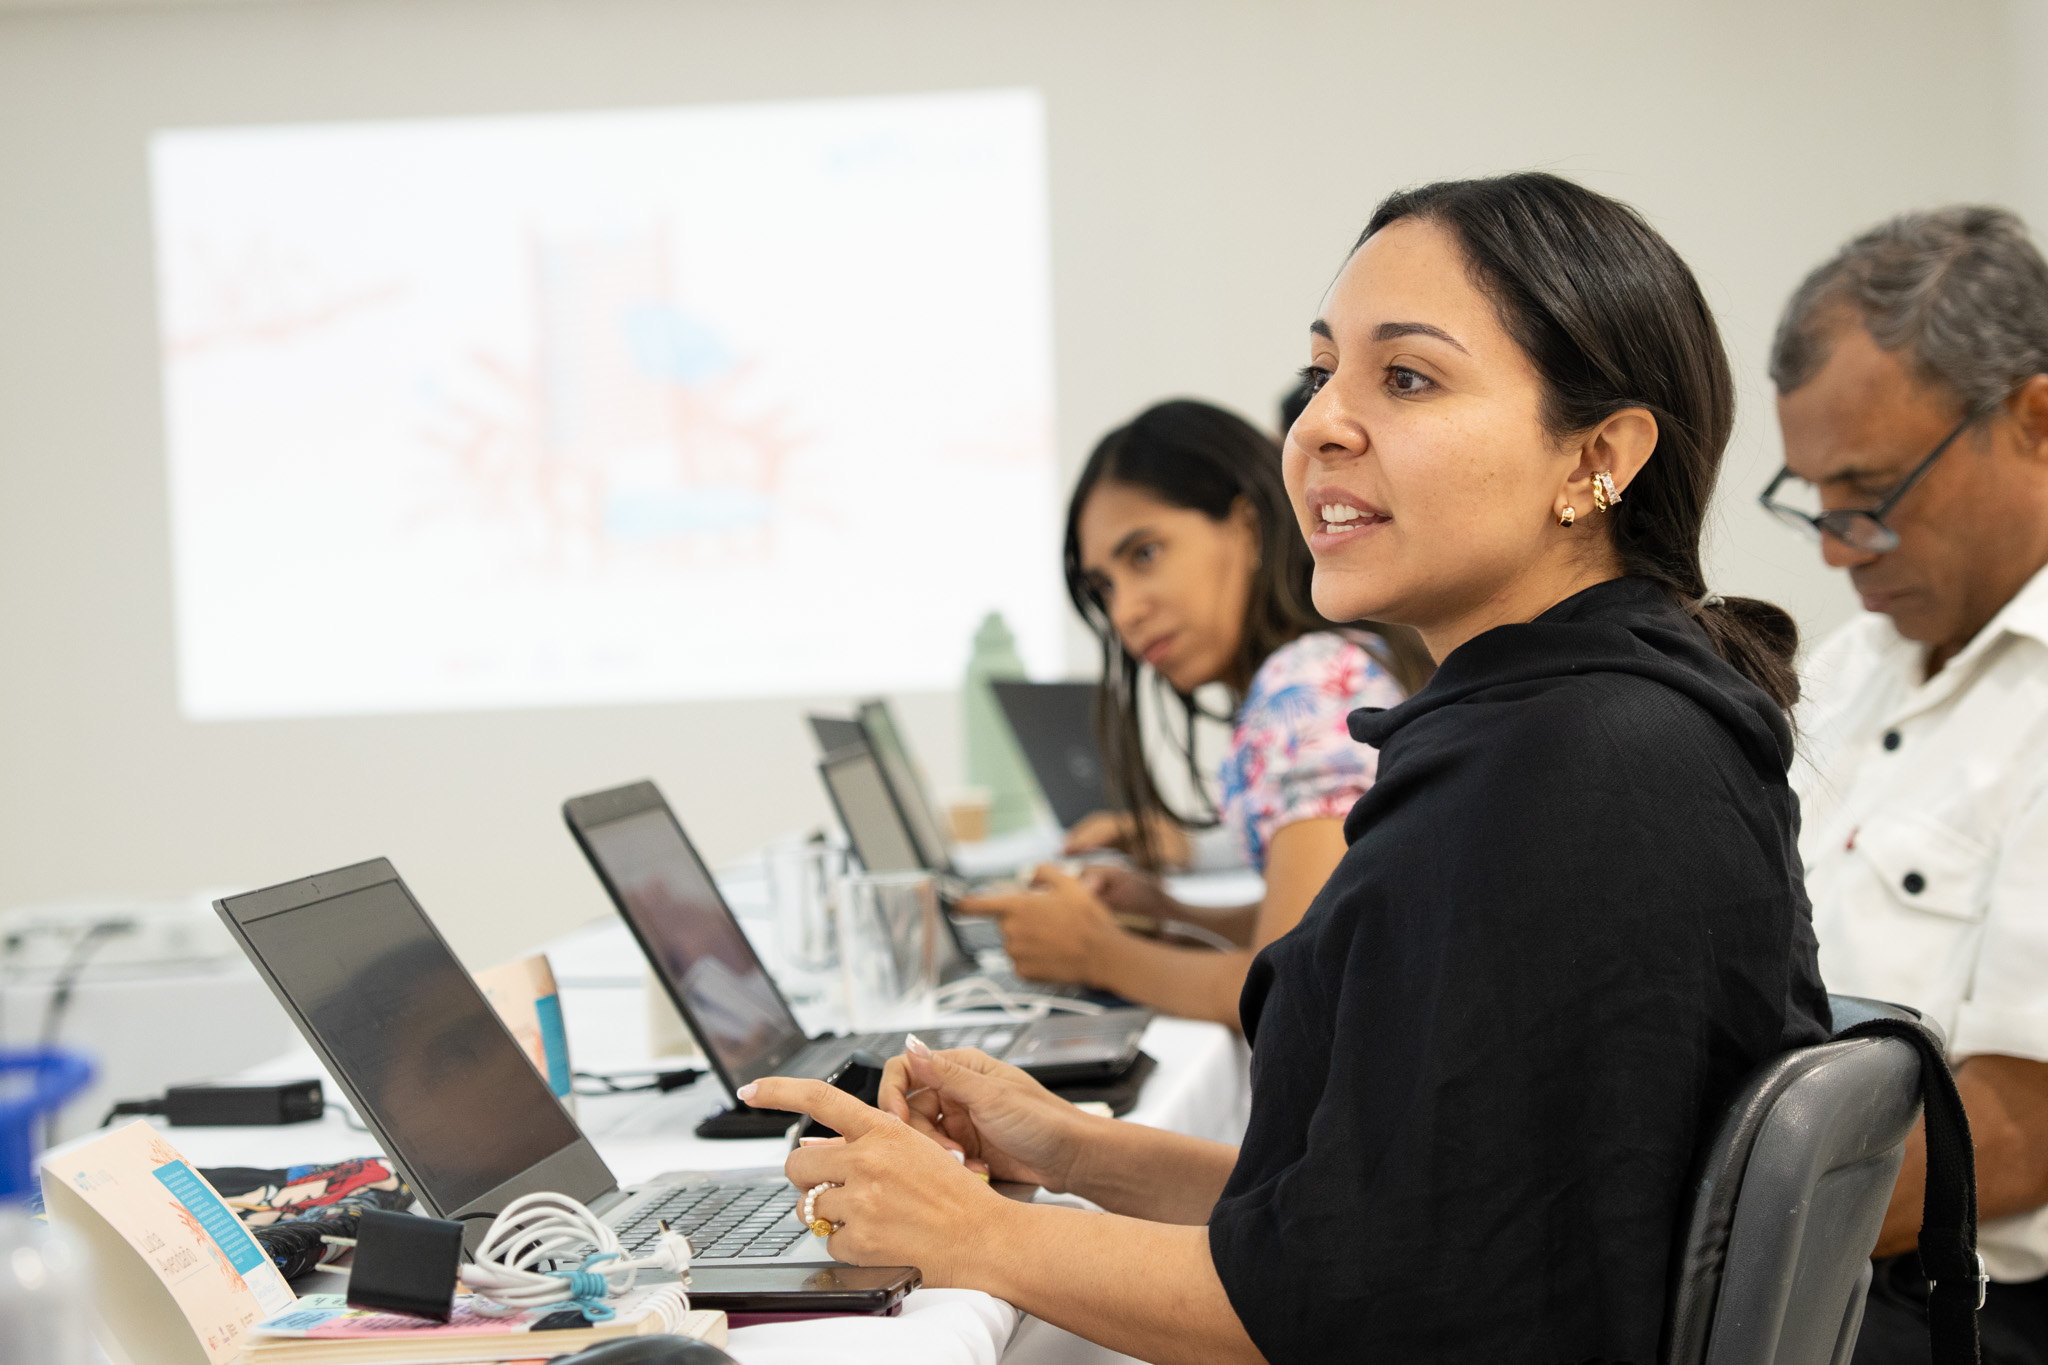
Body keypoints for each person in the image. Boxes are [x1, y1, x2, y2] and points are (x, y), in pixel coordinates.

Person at [740, 172, 1831, 1364]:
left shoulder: (1570, 770)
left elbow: (1355, 1302)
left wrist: (977, 1238)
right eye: (1322, 376)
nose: (1315, 426)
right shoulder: (1573, 722)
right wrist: (1068, 1149)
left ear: (1597, 458)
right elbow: (1399, 1209)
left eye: (1403, 377)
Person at [1765, 206, 2048, 1363]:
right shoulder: (1849, 670)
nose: (1835, 547)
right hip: (1813, 1256)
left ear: (2035, 420)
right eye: (1813, 500)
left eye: (1869, 497)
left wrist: (1700, 1231)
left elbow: (2023, 1129)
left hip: (1966, 1311)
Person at [957, 399, 1432, 1028]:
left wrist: (1098, 953)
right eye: (1104, 587)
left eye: (1145, 554)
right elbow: (1329, 926)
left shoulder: (1306, 683)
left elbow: (1297, 986)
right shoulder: (1326, 663)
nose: (1124, 612)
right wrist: (1173, 914)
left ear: (1247, 527)